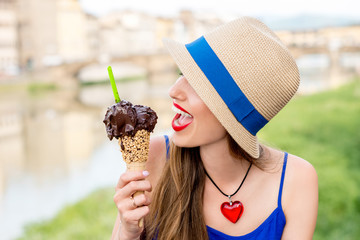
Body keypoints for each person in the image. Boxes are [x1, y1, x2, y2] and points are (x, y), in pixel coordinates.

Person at [111, 16, 318, 240]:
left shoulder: (296, 179)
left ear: (233, 113)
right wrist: (128, 233)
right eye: (183, 73)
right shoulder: (155, 157)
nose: (173, 90)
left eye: (199, 83)